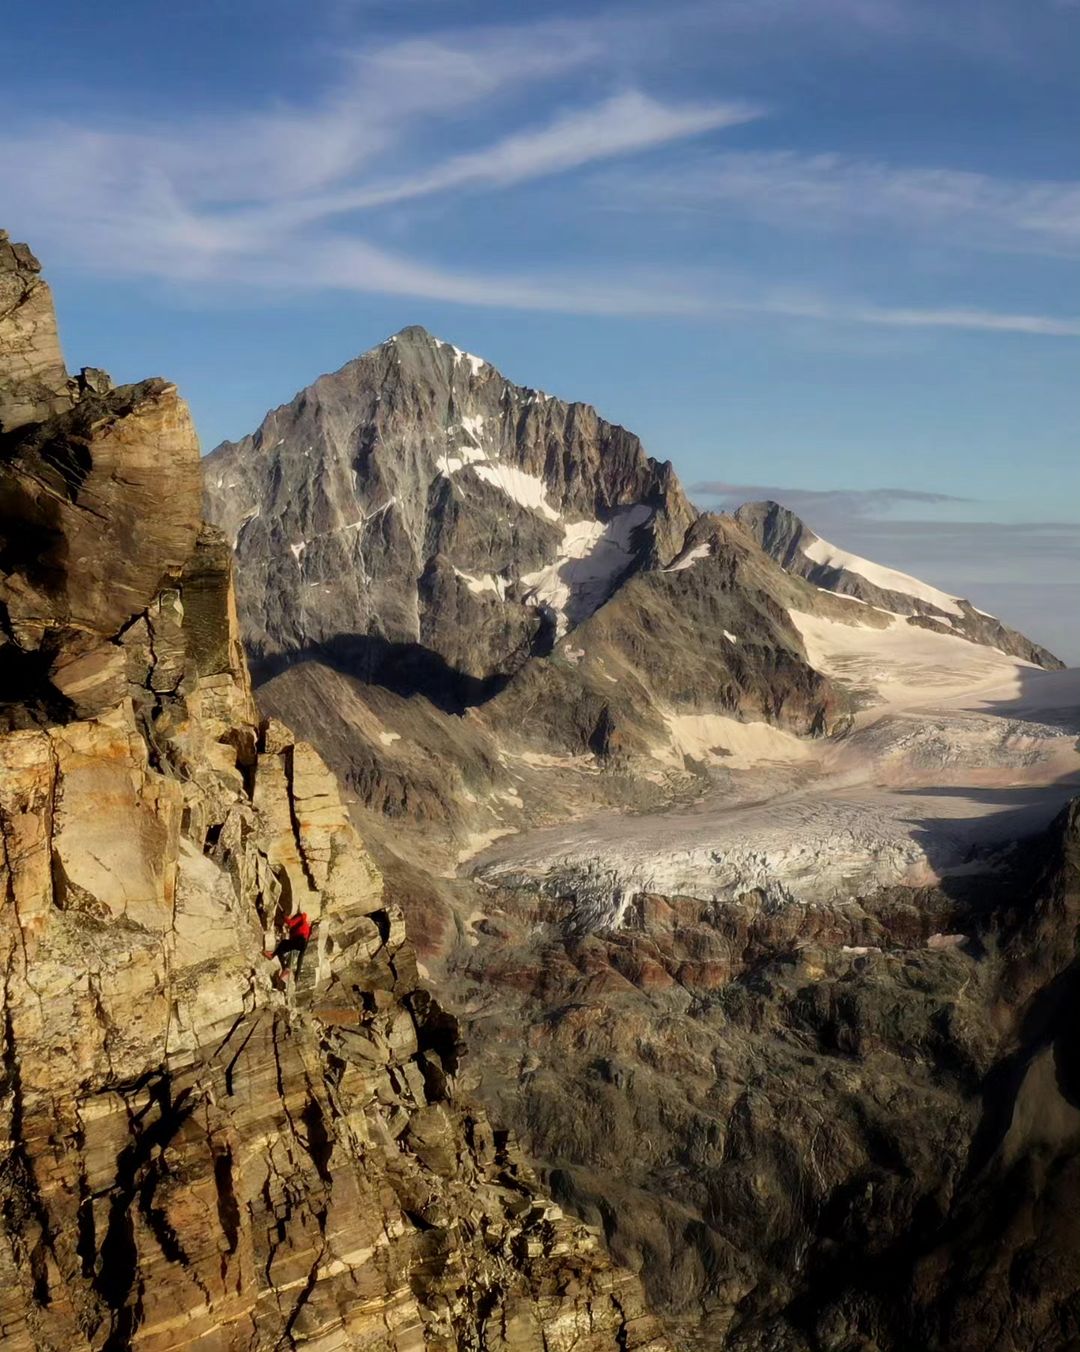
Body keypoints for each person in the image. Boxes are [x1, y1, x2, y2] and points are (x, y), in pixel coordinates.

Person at [264, 910, 312, 983]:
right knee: (282, 950)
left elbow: (290, 923)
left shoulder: (300, 916)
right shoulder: (305, 924)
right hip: (303, 943)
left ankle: (273, 956)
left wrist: (284, 916)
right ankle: (288, 971)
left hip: (300, 940)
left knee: (283, 944)